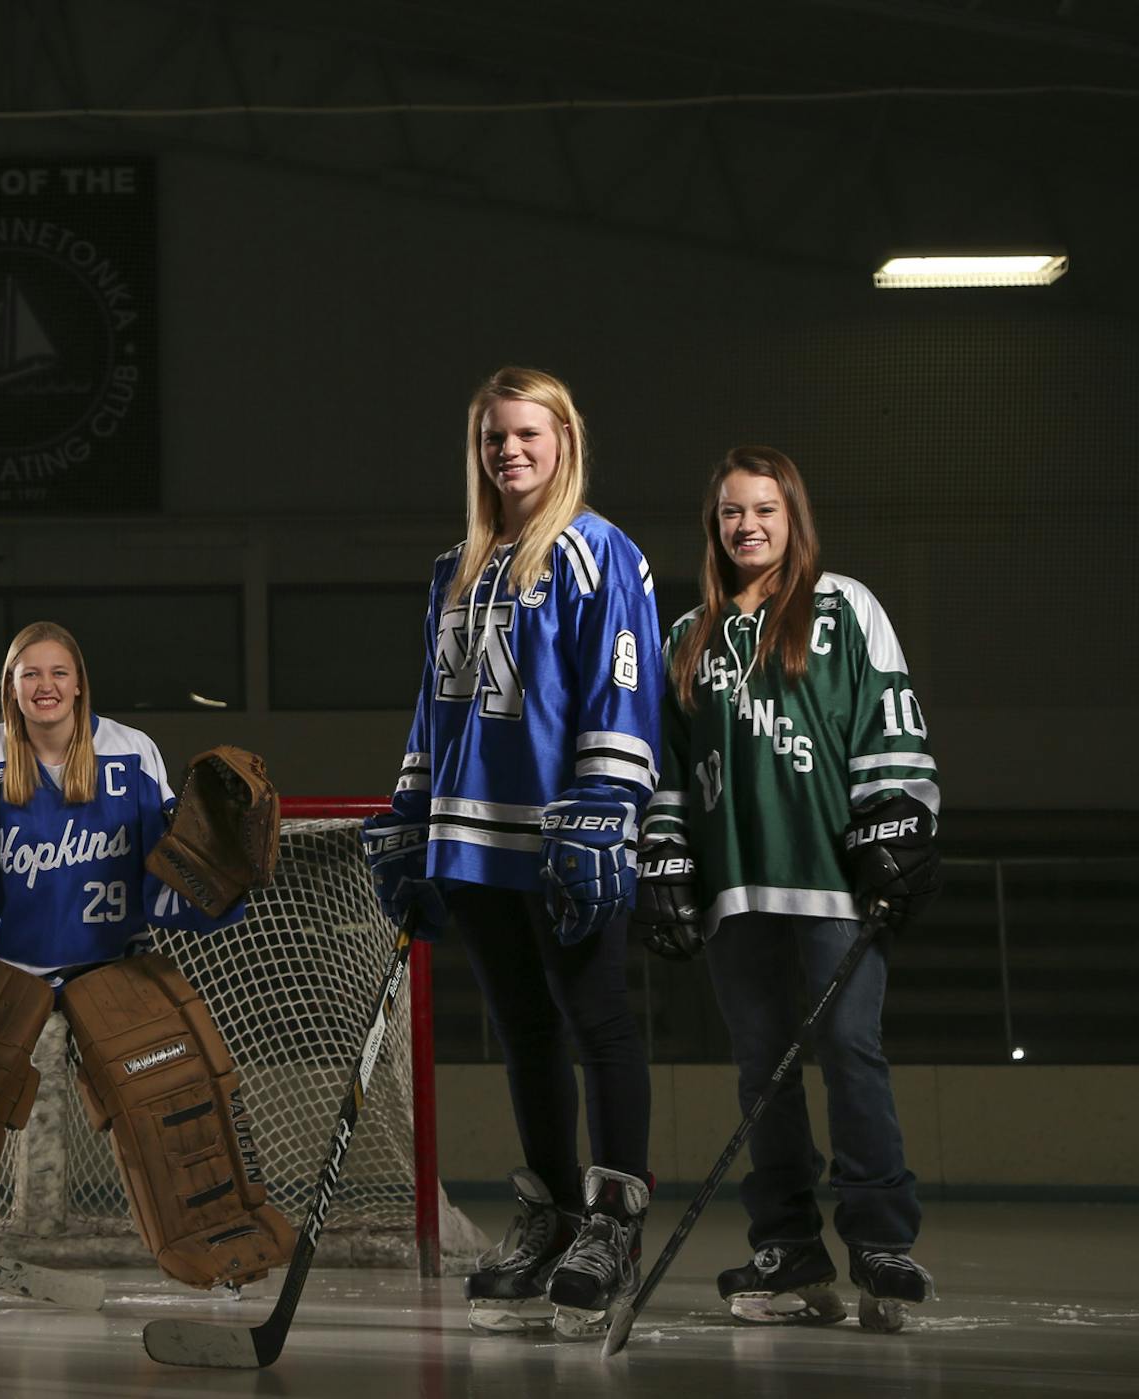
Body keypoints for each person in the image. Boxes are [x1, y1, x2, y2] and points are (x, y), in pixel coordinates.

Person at [0, 620, 294, 1297]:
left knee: (178, 1087)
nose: (46, 685)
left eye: (58, 672)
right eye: (30, 673)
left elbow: (167, 878)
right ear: (11, 687)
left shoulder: (131, 754)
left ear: (79, 683)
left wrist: (220, 882)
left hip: (112, 963)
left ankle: (221, 1249)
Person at [362, 366, 662, 1339]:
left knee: (598, 1017)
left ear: (563, 440)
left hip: (560, 830)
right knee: (523, 1028)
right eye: (495, 438)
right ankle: (553, 1215)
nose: (511, 452)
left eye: (528, 434)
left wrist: (605, 800)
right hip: (472, 836)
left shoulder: (598, 552)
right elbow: (432, 707)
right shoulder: (458, 564)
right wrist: (413, 811)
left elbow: (622, 687)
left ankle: (614, 1221)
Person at [636, 446, 941, 1333]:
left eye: (764, 508)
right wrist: (667, 858)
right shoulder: (685, 636)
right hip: (737, 892)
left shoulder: (846, 609)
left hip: (834, 885)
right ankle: (787, 1247)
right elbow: (667, 771)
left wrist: (896, 822)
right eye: (732, 512)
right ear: (714, 525)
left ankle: (881, 1239)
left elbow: (889, 719)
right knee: (761, 1074)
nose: (748, 525)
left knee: (851, 1050)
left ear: (792, 517)